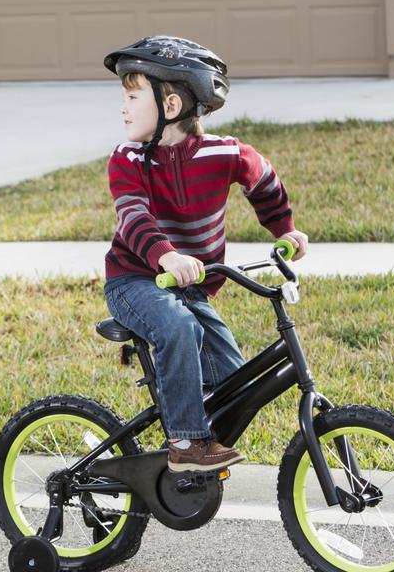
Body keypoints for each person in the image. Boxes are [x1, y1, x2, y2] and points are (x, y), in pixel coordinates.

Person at [100, 35, 309, 473]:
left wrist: (286, 230)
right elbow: (134, 216)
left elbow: (264, 182)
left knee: (233, 378)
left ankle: (189, 446)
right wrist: (166, 256)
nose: (123, 107)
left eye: (133, 96)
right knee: (177, 328)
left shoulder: (224, 152)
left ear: (171, 106)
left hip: (191, 287)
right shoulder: (129, 158)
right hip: (136, 281)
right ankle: (185, 445)